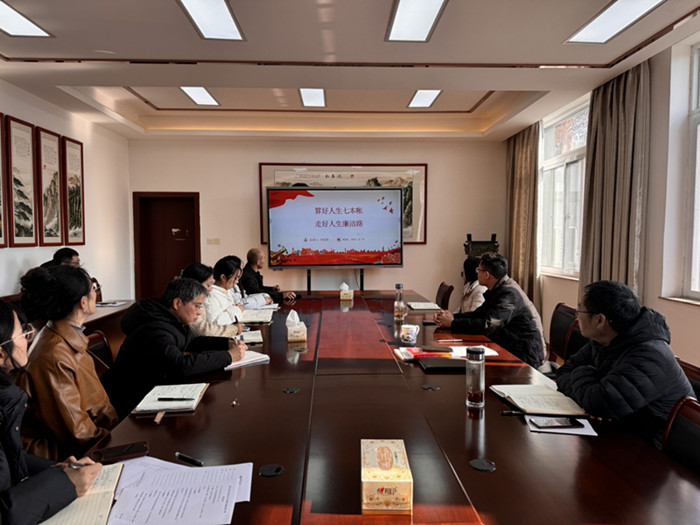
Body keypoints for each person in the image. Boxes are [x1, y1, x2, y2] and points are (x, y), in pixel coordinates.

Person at [556, 280, 694, 447]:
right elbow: (564, 372)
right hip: (621, 429)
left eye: (580, 310)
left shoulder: (649, 355)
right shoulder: (603, 340)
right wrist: (588, 395)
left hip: (654, 449)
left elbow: (598, 402)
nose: (576, 316)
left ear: (600, 320)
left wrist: (584, 375)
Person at [0, 300, 103, 524]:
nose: (28, 339)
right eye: (22, 332)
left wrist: (60, 470)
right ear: (1, 354)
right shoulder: (53, 352)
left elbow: (14, 459)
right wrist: (66, 483)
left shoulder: (6, 395)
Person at [102, 278, 247, 419]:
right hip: (134, 403)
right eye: (197, 306)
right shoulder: (154, 329)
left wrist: (226, 343)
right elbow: (180, 365)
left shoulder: (171, 319)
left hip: (155, 390)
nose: (200, 312)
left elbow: (192, 342)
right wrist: (228, 356)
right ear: (177, 303)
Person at [18, 266, 119, 460]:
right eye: (93, 288)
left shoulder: (65, 338)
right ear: (83, 302)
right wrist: (120, 441)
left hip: (90, 442)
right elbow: (78, 433)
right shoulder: (54, 355)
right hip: (63, 458)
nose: (96, 292)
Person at [434, 252, 546, 368]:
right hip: (509, 346)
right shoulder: (499, 289)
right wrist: (451, 317)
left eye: (478, 270)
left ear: (486, 275)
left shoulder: (509, 294)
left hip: (525, 355)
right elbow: (478, 314)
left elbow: (487, 325)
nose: (477, 273)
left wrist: (452, 323)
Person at [182, 262, 242, 338]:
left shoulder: (196, 299)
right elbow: (203, 330)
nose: (211, 289)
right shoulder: (189, 302)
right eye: (208, 285)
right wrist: (234, 328)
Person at [205, 256, 245, 327]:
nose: (237, 282)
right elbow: (215, 323)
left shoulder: (225, 291)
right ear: (223, 277)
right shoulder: (211, 295)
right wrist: (236, 310)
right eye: (235, 278)